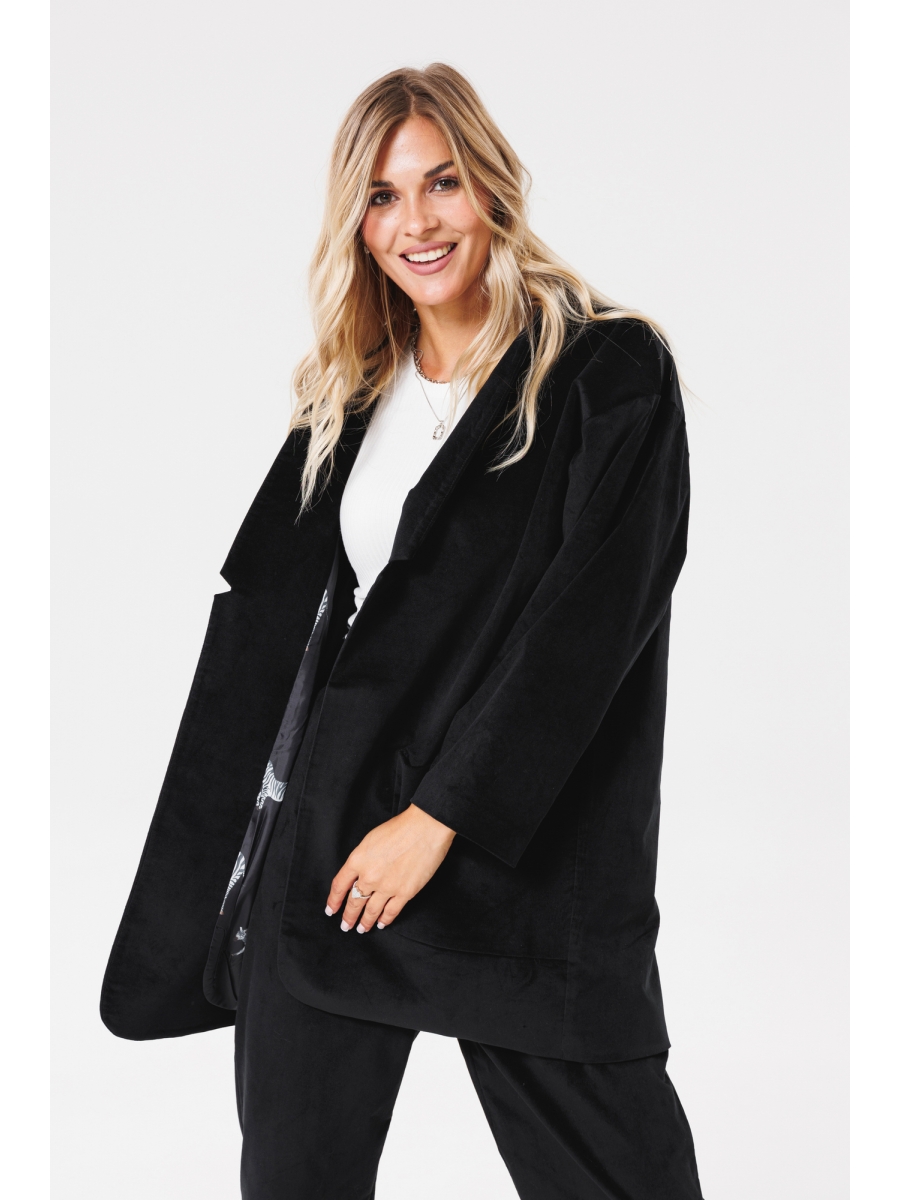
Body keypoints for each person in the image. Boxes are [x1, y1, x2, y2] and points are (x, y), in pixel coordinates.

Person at [101, 62, 704, 1200]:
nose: (415, 222)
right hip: (333, 853)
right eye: (381, 196)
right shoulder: (353, 391)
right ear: (356, 221)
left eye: (441, 183)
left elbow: (589, 632)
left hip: (524, 859)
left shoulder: (606, 372)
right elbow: (285, 631)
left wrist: (437, 820)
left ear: (491, 185)